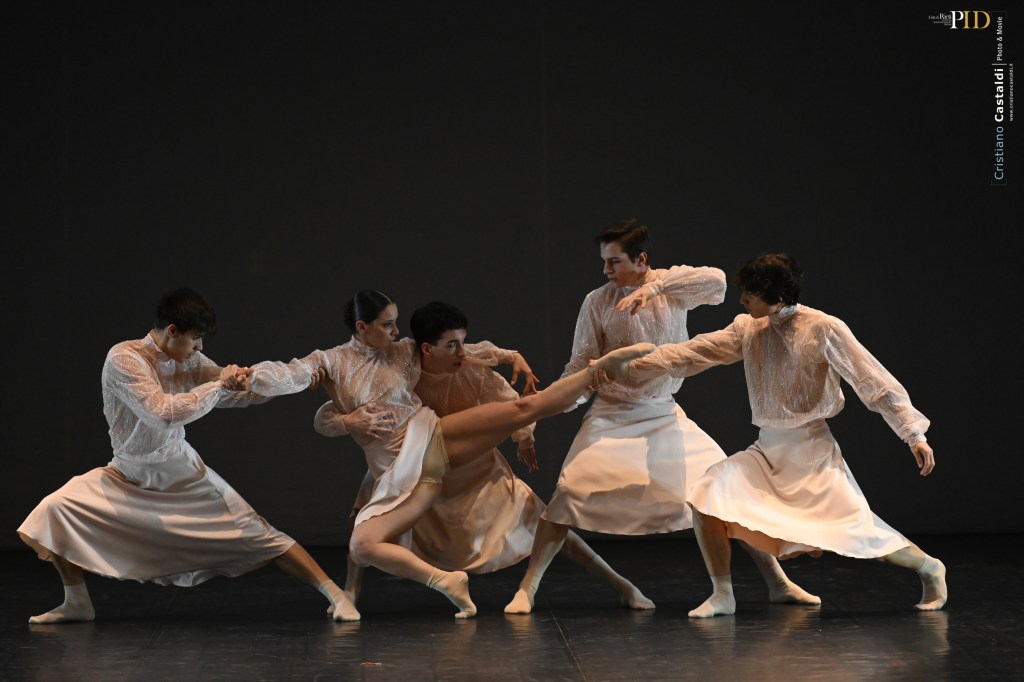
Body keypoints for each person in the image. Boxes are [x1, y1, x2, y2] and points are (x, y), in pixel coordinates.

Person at [245, 290, 655, 619]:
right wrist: (246, 377)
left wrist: (510, 355)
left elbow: (469, 350)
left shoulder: (404, 350)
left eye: (396, 322)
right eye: (387, 324)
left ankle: (599, 370)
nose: (395, 331)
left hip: (428, 438)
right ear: (361, 327)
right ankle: (435, 582)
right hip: (397, 470)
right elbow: (290, 377)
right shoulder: (330, 362)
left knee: (522, 410)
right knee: (362, 541)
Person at [505, 219, 817, 614]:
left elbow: (717, 283)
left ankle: (777, 582)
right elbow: (581, 365)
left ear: (641, 259)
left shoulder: (672, 288)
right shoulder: (597, 301)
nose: (606, 270)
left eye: (614, 262)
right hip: (612, 414)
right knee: (568, 494)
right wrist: (548, 406)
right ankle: (528, 587)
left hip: (663, 413)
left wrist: (654, 287)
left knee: (723, 492)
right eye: (604, 261)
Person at [617, 252, 947, 617]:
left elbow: (873, 382)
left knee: (858, 535)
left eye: (750, 293)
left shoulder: (822, 327)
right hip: (767, 449)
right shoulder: (749, 328)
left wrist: (913, 433)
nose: (742, 300)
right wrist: (631, 366)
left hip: (811, 452)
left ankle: (930, 567)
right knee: (706, 494)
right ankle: (723, 594)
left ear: (772, 292)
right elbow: (696, 352)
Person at [17, 287, 355, 624]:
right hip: (126, 474)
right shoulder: (124, 358)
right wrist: (220, 385)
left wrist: (264, 381)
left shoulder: (189, 360)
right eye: (195, 339)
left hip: (181, 473)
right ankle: (77, 602)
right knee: (55, 509)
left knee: (260, 534)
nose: (199, 348)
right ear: (172, 331)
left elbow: (236, 393)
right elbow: (162, 413)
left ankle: (336, 595)